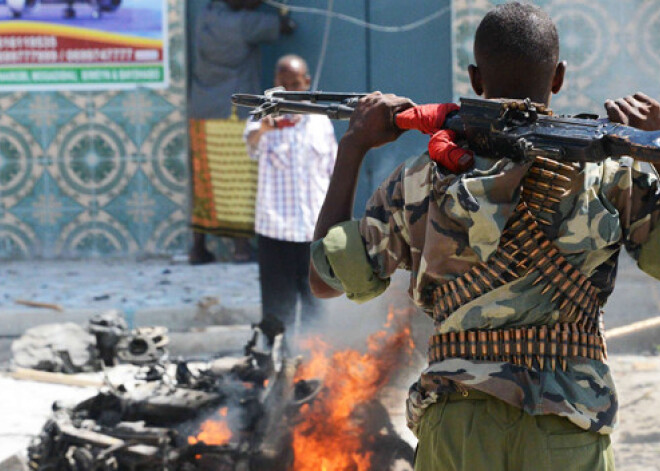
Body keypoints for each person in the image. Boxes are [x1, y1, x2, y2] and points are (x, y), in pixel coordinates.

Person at [309, 3, 660, 470]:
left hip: (456, 425)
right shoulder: (611, 173)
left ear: (475, 79)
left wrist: (353, 145)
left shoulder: (419, 179)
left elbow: (324, 280)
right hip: (569, 423)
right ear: (558, 77)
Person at [188, 0, 295, 264]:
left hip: (203, 111)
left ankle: (198, 247)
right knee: (239, 180)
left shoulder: (206, 15)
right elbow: (285, 27)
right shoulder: (247, 23)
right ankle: (241, 248)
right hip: (233, 114)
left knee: (205, 182)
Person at [245, 54, 338, 344]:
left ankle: (315, 368)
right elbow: (251, 144)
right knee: (277, 312)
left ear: (306, 83)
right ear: (276, 84)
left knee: (318, 309)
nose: (289, 91)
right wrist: (265, 127)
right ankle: (274, 367)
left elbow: (333, 171)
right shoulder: (262, 115)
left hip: (314, 233)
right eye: (283, 85)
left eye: (295, 84)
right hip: (276, 233)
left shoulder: (321, 121)